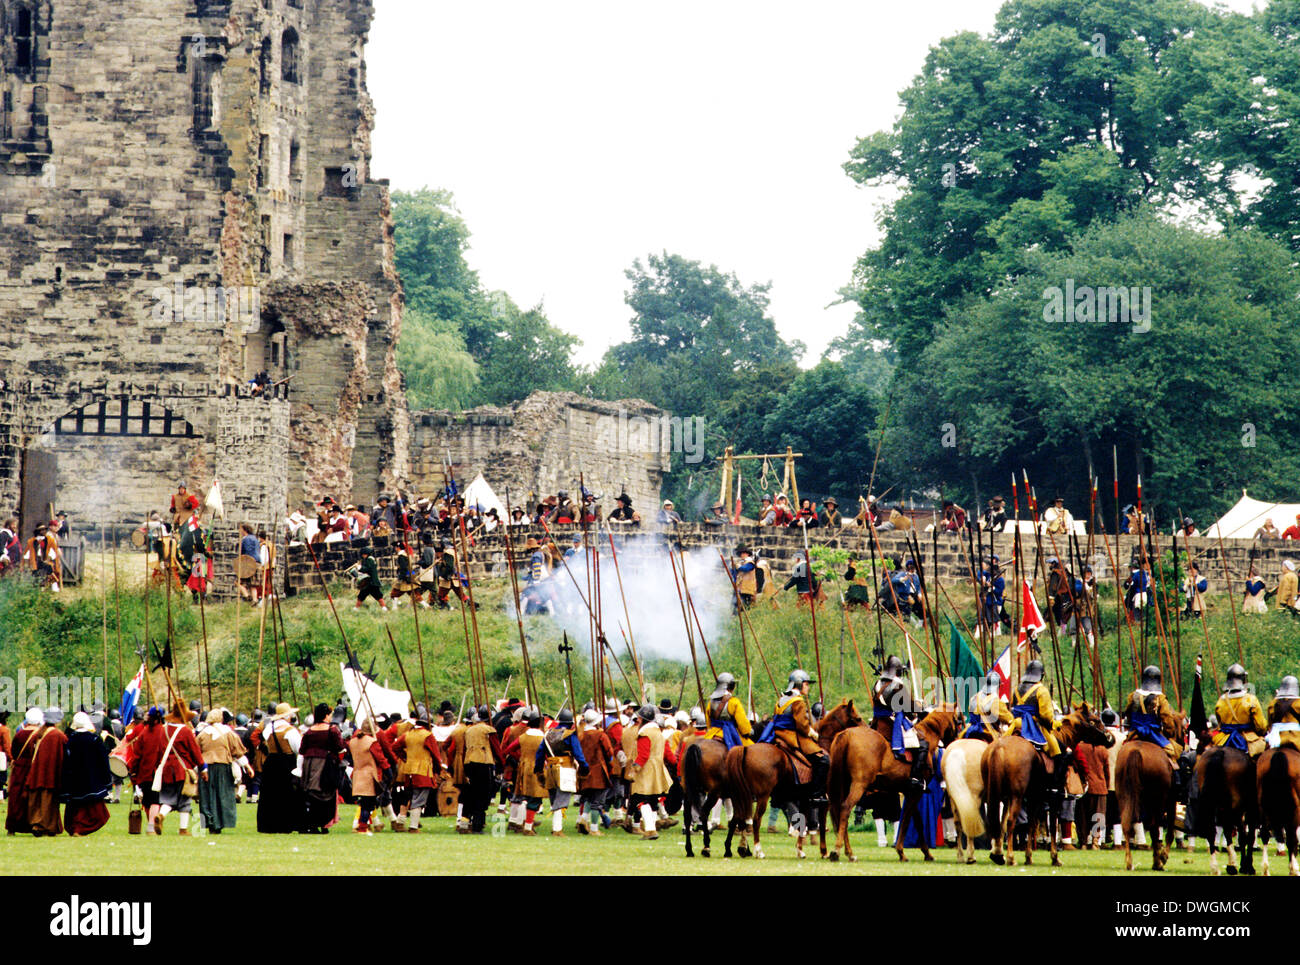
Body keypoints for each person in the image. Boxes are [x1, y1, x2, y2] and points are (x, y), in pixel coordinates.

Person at [132, 704, 204, 835]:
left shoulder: (164, 729)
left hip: (166, 770)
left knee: (168, 799)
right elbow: (195, 751)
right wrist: (202, 766)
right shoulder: (185, 731)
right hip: (182, 770)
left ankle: (161, 815)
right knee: (184, 800)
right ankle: (183, 829)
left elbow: (158, 751)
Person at [768, 669, 829, 806]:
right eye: (806, 684)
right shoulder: (798, 701)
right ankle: (816, 795)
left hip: (778, 736)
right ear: (800, 684)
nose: (808, 687)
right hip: (792, 737)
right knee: (824, 761)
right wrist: (811, 732)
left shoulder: (781, 699)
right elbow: (801, 725)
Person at [6, 707, 67, 835]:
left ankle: (17, 826)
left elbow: (14, 752)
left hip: (23, 769)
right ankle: (42, 825)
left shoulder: (25, 733)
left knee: (19, 799)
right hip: (43, 769)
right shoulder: (54, 734)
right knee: (45, 799)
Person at [537, 708, 588, 836]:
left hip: (550, 768)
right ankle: (557, 829)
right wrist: (584, 766)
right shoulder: (570, 735)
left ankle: (556, 826)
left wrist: (538, 770)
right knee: (561, 799)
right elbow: (578, 753)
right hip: (565, 768)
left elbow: (540, 753)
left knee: (555, 798)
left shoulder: (548, 733)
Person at [197, 709, 248, 833]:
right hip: (223, 767)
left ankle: (208, 824)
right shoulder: (228, 733)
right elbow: (237, 752)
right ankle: (221, 822)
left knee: (206, 797)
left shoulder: (202, 734)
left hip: (206, 769)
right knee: (223, 796)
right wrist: (247, 766)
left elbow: (196, 753)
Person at [1121, 666, 1183, 770]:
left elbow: (1128, 713)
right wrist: (1169, 732)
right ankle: (1177, 779)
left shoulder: (1133, 696)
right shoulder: (1160, 698)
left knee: (1121, 751)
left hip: (1135, 733)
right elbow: (1167, 718)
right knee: (1173, 752)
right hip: (1154, 734)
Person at [624, 704, 671, 839]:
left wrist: (634, 769)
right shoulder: (658, 732)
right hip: (657, 767)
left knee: (640, 799)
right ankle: (651, 827)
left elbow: (643, 755)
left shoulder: (645, 733)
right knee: (652, 800)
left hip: (646, 770)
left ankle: (650, 829)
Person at [61, 711, 111, 836]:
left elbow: (65, 761)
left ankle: (75, 827)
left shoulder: (70, 740)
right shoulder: (94, 739)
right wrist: (106, 780)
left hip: (74, 779)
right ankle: (80, 828)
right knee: (96, 812)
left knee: (76, 806)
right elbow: (103, 760)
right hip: (91, 779)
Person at [300, 702, 346, 832]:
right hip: (325, 763)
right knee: (326, 792)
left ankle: (313, 823)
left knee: (312, 792)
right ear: (326, 715)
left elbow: (302, 749)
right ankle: (323, 823)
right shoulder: (332, 730)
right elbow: (340, 747)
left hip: (309, 763)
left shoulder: (309, 731)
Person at [257, 702, 302, 833]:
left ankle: (269, 824)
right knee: (286, 794)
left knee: (270, 795)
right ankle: (286, 823)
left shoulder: (268, 729)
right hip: (286, 762)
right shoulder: (291, 731)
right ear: (287, 716)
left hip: (271, 762)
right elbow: (298, 749)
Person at [396, 712, 443, 832]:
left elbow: (395, 746)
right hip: (423, 770)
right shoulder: (428, 735)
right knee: (419, 798)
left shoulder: (408, 734)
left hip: (408, 769)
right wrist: (438, 769)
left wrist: (405, 757)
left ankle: (402, 822)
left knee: (408, 796)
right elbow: (436, 755)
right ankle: (413, 826)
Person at [1008, 660, 1062, 761]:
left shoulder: (1016, 689)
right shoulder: (1041, 690)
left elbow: (1012, 708)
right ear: (1041, 675)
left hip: (1016, 724)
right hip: (1035, 726)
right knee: (1057, 753)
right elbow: (1046, 716)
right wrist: (1053, 724)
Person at [460, 706, 502, 834]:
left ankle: (464, 823)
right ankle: (477, 825)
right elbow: (497, 749)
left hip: (468, 762)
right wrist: (501, 764)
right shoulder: (489, 730)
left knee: (470, 793)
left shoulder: (469, 730)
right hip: (483, 763)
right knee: (482, 794)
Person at [1210, 664, 1267, 757]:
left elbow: (1220, 724)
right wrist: (1263, 731)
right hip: (1247, 738)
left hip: (1223, 739)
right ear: (1243, 679)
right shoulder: (1251, 699)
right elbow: (1260, 726)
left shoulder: (1221, 700)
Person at [576, 709, 615, 835]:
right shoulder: (600, 735)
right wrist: (610, 763)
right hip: (599, 770)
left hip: (584, 770)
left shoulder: (580, 735)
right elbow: (609, 752)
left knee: (588, 798)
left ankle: (583, 819)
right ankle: (593, 828)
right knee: (597, 801)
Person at [704, 672, 755, 748]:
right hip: (730, 733)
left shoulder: (710, 702)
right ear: (731, 686)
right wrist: (748, 731)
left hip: (712, 733)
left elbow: (708, 723)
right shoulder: (734, 702)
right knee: (751, 749)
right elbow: (742, 723)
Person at [962, 671, 1012, 741]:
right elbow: (1009, 719)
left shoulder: (974, 698)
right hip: (987, 732)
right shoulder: (996, 702)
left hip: (971, 730)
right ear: (998, 686)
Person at [1266, 676, 1300, 750]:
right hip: (1296, 738)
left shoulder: (1272, 703)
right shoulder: (1298, 703)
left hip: (1276, 738)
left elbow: (1269, 725)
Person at [354, 546, 386, 611]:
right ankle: (356, 608)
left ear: (366, 554)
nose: (363, 556)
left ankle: (384, 608)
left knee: (378, 595)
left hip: (371, 582)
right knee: (362, 595)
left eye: (363, 554)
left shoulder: (370, 560)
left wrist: (359, 567)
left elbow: (367, 569)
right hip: (369, 582)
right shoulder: (369, 559)